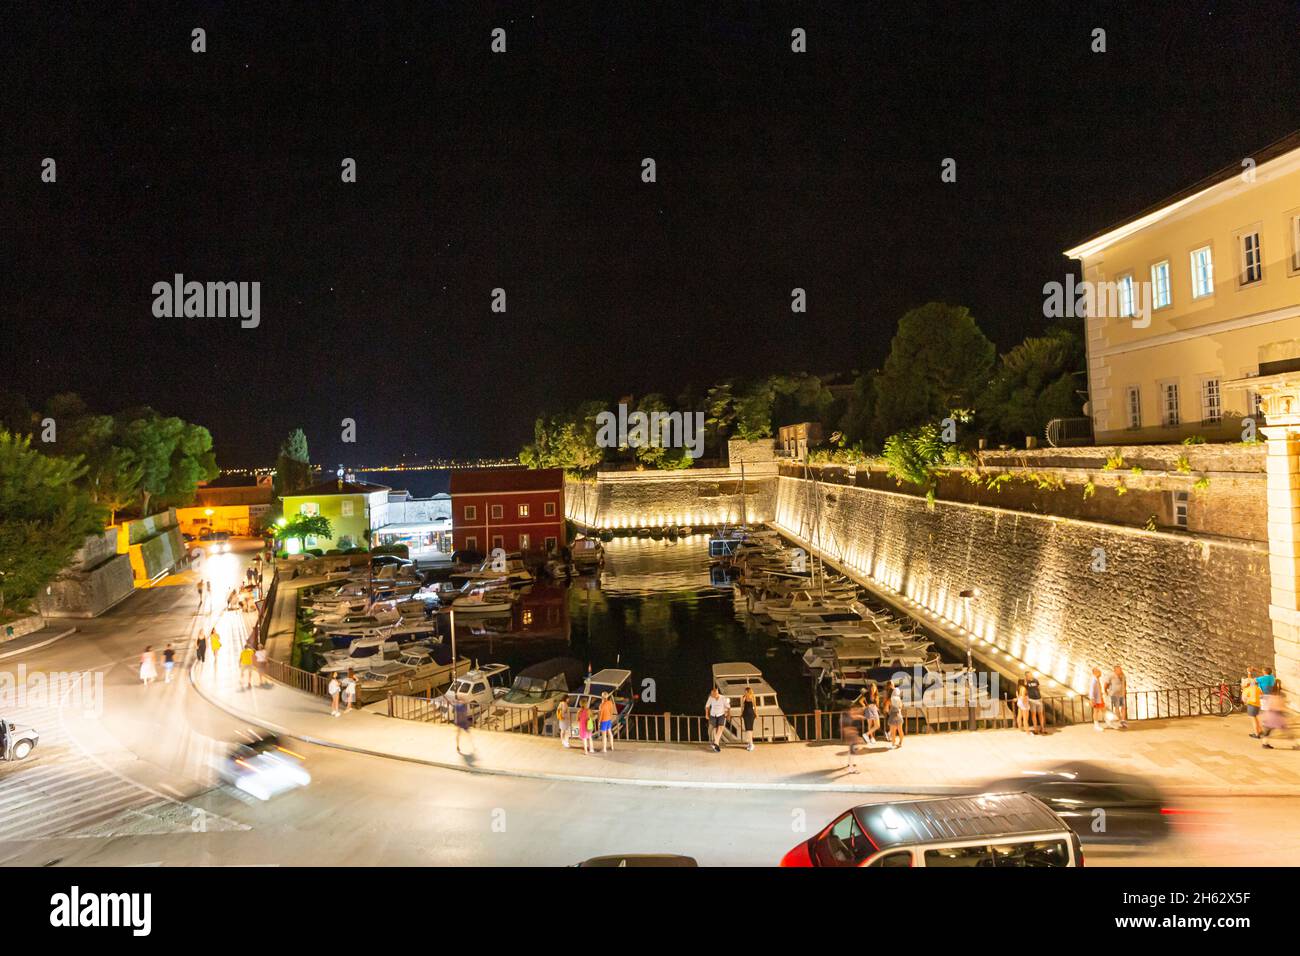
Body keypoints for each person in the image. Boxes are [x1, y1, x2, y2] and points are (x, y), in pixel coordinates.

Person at [705, 686, 731, 753]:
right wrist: (706, 714)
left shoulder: (723, 698)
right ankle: (714, 743)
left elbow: (728, 707)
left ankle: (716, 743)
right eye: (711, 694)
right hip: (713, 715)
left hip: (721, 714)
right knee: (713, 729)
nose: (711, 695)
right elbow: (707, 707)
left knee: (721, 728)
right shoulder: (711, 698)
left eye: (713, 694)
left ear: (716, 693)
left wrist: (728, 715)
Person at [841, 699, 865, 773]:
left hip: (851, 736)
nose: (856, 710)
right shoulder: (847, 716)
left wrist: (860, 716)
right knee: (852, 751)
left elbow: (855, 716)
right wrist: (856, 737)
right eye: (854, 709)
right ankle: (851, 768)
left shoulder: (846, 715)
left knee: (851, 750)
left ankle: (850, 764)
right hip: (851, 736)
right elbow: (846, 727)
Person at [1243, 666, 1264, 738]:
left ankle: (1256, 734)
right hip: (1258, 704)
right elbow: (1261, 695)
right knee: (1257, 718)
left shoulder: (1248, 689)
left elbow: (1244, 699)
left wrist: (1246, 701)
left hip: (1251, 705)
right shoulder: (1258, 688)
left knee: (1253, 719)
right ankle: (1260, 730)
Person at [1025, 670, 1045, 735]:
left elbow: (1038, 688)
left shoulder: (1036, 680)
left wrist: (1041, 696)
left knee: (1040, 714)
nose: (1030, 676)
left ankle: (1042, 728)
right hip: (1031, 700)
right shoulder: (1026, 682)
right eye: (1028, 675)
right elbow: (1024, 690)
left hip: (1038, 699)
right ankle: (1035, 729)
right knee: (1033, 715)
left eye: (1030, 674)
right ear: (1026, 676)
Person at [740, 686, 758, 752]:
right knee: (748, 729)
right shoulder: (743, 697)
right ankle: (750, 743)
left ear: (748, 691)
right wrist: (741, 713)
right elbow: (742, 706)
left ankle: (751, 744)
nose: (744, 692)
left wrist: (756, 714)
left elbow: (755, 706)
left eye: (745, 691)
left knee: (750, 729)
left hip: (751, 714)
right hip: (745, 714)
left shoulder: (753, 697)